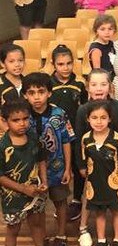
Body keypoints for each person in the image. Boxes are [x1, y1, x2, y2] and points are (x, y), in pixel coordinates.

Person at [74, 69, 118, 246]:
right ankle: (83, 228)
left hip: (116, 162)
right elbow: (79, 140)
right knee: (88, 192)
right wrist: (81, 165)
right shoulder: (83, 110)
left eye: (103, 84)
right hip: (93, 161)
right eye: (94, 84)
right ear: (87, 88)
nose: (98, 88)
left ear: (110, 87)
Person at [23, 72, 75, 246]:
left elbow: (67, 141)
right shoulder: (23, 116)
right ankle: (41, 237)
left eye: (41, 91)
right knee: (36, 207)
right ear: (25, 95)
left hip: (57, 168)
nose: (37, 97)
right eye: (31, 92)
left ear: (49, 93)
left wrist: (68, 168)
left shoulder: (59, 114)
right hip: (32, 171)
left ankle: (61, 234)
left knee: (60, 201)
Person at [79, 101, 118, 246]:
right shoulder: (85, 139)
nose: (99, 122)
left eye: (103, 117)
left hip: (113, 183)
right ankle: (101, 239)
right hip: (94, 183)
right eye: (94, 118)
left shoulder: (117, 138)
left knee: (116, 210)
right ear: (88, 119)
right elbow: (84, 161)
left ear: (110, 118)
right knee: (99, 212)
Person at [0, 98, 48, 246]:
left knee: (37, 224)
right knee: (13, 229)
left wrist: (44, 181)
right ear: (4, 120)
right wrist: (23, 189)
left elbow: (41, 160)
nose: (22, 123)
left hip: (35, 193)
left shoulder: (34, 138)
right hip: (12, 198)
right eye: (16, 120)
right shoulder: (2, 146)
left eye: (26, 119)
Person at [49, 44, 88, 221]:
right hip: (56, 136)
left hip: (76, 134)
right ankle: (61, 200)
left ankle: (77, 200)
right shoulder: (48, 85)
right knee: (59, 167)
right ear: (53, 64)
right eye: (61, 64)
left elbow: (85, 108)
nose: (65, 68)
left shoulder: (79, 84)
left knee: (77, 167)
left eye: (69, 63)